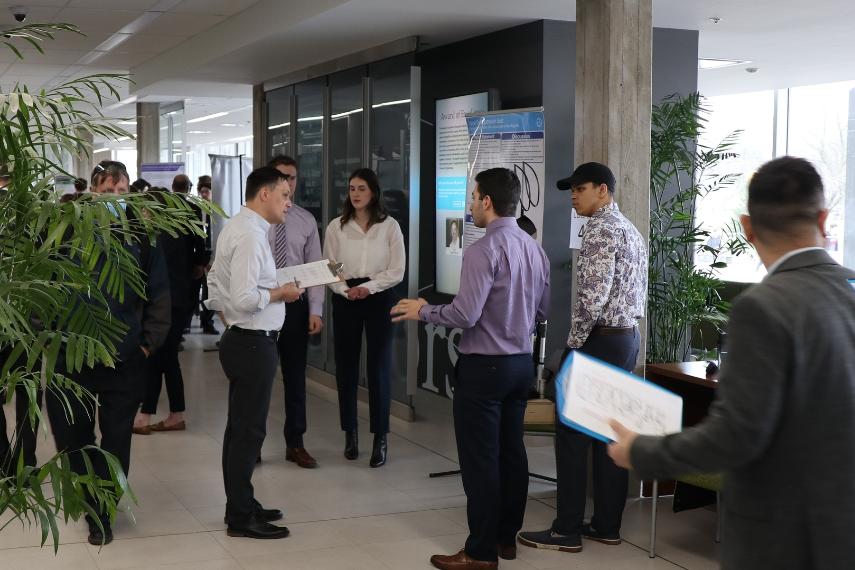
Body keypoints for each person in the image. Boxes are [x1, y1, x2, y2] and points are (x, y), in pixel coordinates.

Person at [608, 156, 855, 570]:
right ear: (825, 218)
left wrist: (643, 451)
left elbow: (735, 437)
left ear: (747, 227)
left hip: (783, 541)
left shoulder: (763, 306)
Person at [392, 168, 550, 570]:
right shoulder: (535, 249)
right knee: (512, 453)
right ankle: (504, 539)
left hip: (484, 368)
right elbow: (545, 310)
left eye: (474, 196)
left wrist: (422, 311)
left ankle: (479, 553)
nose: (470, 204)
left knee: (481, 462)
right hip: (520, 365)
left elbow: (465, 314)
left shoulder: (482, 250)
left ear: (486, 202)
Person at [518, 161, 646, 554]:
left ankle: (566, 530)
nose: (573, 195)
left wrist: (572, 346)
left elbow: (591, 298)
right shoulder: (630, 229)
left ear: (602, 190)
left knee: (572, 435)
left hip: (599, 341)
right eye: (571, 188)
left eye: (580, 188)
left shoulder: (599, 229)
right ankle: (606, 525)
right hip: (626, 338)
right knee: (609, 434)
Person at [46, 160, 171, 545]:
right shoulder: (62, 233)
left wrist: (148, 343)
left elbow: (160, 293)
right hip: (70, 359)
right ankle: (88, 498)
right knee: (73, 439)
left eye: (122, 192)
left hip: (124, 357)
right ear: (91, 192)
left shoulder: (142, 236)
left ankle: (103, 512)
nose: (115, 199)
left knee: (117, 439)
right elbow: (42, 288)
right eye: (107, 192)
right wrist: (45, 339)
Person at [205, 166, 302, 540]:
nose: (289, 203)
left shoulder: (242, 227)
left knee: (241, 430)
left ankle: (242, 503)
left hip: (245, 340)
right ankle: (241, 517)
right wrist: (281, 293)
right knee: (248, 432)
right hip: (250, 341)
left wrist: (272, 287)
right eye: (284, 196)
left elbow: (219, 284)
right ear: (265, 194)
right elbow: (245, 299)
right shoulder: (249, 234)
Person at [323, 167, 405, 468]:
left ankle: (380, 438)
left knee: (379, 367)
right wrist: (346, 291)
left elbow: (397, 271)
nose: (355, 194)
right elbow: (329, 268)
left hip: (379, 296)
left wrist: (368, 289)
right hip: (346, 297)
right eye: (352, 188)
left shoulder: (390, 226)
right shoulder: (336, 227)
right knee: (346, 366)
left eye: (361, 188)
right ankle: (350, 433)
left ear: (374, 192)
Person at [267, 155, 324, 469]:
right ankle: (253, 442)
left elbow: (315, 268)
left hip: (294, 307)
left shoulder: (305, 220)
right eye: (281, 176)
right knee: (259, 378)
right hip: (261, 305)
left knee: (295, 377)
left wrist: (316, 309)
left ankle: (296, 442)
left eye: (292, 178)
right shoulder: (255, 220)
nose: (287, 183)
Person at [133, 188, 202, 434]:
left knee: (159, 358)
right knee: (167, 358)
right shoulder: (177, 230)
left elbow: (155, 276)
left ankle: (147, 415)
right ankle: (174, 414)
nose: (140, 213)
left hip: (167, 304)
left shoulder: (157, 236)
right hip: (178, 301)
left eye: (143, 209)